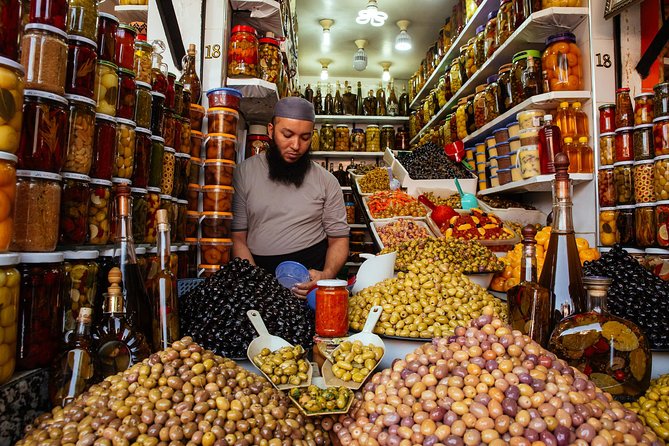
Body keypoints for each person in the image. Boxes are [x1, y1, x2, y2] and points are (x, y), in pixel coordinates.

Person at [231, 97, 349, 297]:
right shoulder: (243, 174)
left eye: (305, 137)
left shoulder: (327, 181)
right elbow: (237, 238)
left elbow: (338, 239)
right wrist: (257, 282)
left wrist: (325, 275)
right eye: (287, 135)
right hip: (257, 277)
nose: (296, 145)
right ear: (270, 130)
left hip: (310, 280)